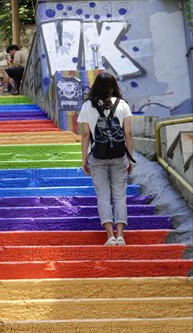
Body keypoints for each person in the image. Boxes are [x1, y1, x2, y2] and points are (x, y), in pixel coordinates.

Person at [77, 72, 134, 246]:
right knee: (119, 196)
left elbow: (86, 134)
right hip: (119, 156)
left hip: (97, 156)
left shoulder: (87, 106)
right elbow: (128, 133)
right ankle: (121, 236)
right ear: (113, 86)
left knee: (102, 196)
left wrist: (84, 159)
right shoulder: (122, 104)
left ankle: (109, 236)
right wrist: (131, 159)